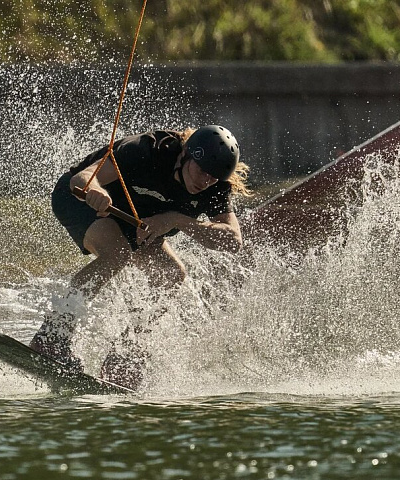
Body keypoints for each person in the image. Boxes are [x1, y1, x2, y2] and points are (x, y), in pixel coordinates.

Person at [30, 125, 251, 381]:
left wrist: (176, 220)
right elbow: (83, 178)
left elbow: (233, 240)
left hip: (135, 220)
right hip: (81, 201)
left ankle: (124, 357)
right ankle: (53, 337)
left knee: (171, 276)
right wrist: (96, 190)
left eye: (213, 177)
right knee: (118, 254)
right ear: (185, 155)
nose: (205, 182)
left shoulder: (215, 185)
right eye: (202, 171)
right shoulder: (146, 150)